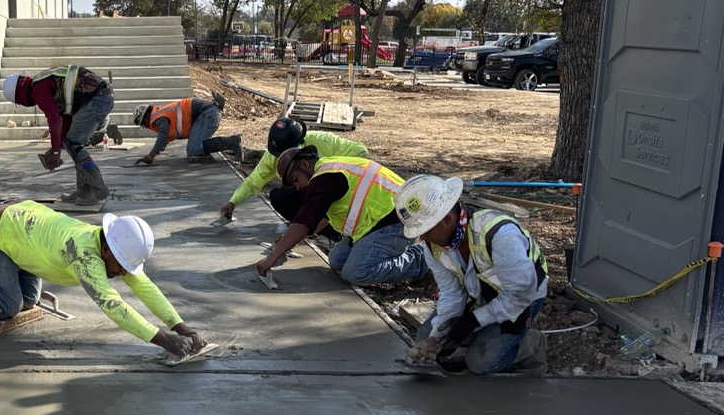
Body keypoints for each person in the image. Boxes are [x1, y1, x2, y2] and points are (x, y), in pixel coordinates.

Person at [0, 198, 206, 358]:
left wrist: (182, 326)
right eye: (122, 265)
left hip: (19, 233)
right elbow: (114, 306)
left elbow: (145, 286)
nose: (123, 274)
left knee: (28, 301)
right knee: (7, 307)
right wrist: (165, 340)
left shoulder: (104, 245)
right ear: (107, 247)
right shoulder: (85, 256)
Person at [395, 174, 549, 375]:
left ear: (447, 219)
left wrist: (473, 321)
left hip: (522, 298)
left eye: (425, 229)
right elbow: (451, 294)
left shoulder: (500, 235)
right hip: (480, 295)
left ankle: (532, 345)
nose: (422, 236)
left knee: (480, 363)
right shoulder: (433, 247)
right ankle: (476, 340)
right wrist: (436, 337)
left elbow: (520, 295)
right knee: (426, 339)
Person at [256, 146, 428, 287]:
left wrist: (273, 257)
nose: (298, 187)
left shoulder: (324, 177)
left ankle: (423, 261)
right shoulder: (330, 171)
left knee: (357, 272)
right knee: (337, 260)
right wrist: (289, 240)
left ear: (304, 164)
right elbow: (320, 218)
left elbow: (304, 220)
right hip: (377, 222)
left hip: (397, 219)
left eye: (295, 179)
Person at [219, 117, 368, 224]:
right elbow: (253, 182)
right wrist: (233, 202)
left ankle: (327, 227)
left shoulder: (323, 141)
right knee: (280, 197)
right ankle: (306, 225)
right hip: (311, 192)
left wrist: (333, 172)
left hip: (332, 191)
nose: (283, 157)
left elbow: (360, 151)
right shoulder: (272, 156)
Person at [3, 65, 115, 208]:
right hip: (99, 96)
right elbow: (65, 116)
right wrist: (59, 143)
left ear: (20, 95)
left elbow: (54, 118)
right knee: (71, 143)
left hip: (97, 99)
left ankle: (98, 190)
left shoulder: (38, 90)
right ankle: (83, 190)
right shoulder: (42, 81)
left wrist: (56, 151)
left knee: (74, 144)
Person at [131, 92, 240, 165]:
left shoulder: (158, 117)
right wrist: (159, 148)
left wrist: (151, 155)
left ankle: (232, 142)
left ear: (146, 116)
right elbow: (166, 135)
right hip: (207, 114)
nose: (145, 126)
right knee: (194, 149)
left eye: (143, 123)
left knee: (193, 150)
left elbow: (163, 134)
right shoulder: (160, 114)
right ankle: (231, 142)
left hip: (207, 114)